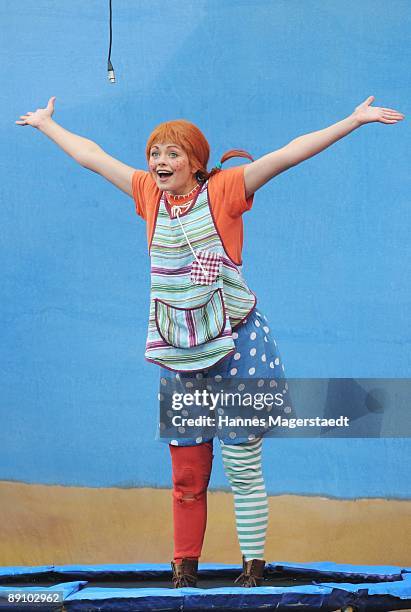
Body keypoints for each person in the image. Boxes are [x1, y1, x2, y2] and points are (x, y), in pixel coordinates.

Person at [16, 96, 404, 588]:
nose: (160, 162)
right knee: (186, 473)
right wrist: (49, 125)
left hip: (238, 345)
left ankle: (252, 567)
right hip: (179, 351)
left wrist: (352, 121)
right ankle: (183, 568)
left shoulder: (225, 190)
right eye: (155, 152)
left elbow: (288, 154)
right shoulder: (146, 194)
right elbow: (91, 156)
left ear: (196, 161)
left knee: (242, 463)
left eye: (173, 153)